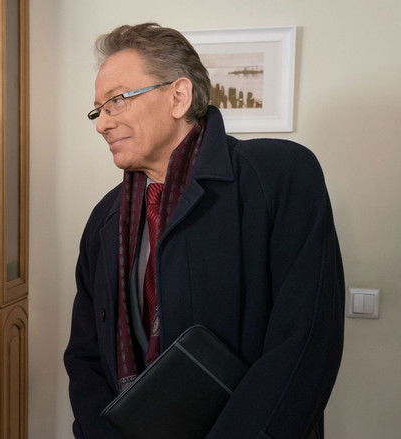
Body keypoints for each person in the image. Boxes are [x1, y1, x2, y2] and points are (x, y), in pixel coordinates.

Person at [64, 23, 344, 439]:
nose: (101, 123)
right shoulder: (105, 219)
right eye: (98, 110)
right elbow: (85, 355)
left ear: (178, 96)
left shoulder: (279, 176)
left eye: (116, 101)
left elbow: (305, 343)